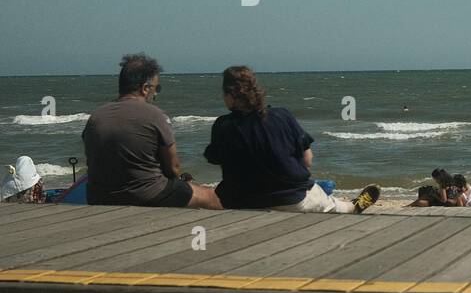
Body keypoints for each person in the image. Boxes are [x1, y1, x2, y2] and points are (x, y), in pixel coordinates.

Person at [205, 66, 379, 213]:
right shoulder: (281, 116)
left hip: (240, 202)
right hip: (290, 199)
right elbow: (307, 161)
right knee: (338, 207)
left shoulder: (223, 125)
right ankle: (353, 206)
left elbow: (215, 158)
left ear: (230, 95)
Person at [81, 54, 222, 209]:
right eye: (156, 88)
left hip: (99, 197)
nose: (155, 94)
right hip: (147, 196)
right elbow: (174, 168)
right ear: (145, 88)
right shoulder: (154, 115)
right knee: (211, 197)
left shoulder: (96, 116)